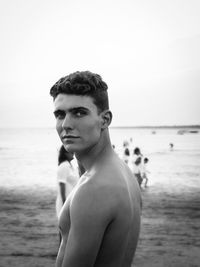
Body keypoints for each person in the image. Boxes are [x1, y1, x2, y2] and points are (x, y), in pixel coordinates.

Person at [50, 70, 141, 267]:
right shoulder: (123, 172)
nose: (66, 124)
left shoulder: (94, 188)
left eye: (79, 113)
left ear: (105, 119)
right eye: (59, 114)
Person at [56, 145, 79, 219]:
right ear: (65, 153)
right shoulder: (64, 166)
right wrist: (64, 203)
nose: (73, 153)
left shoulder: (70, 166)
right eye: (71, 152)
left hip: (72, 201)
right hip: (65, 201)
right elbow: (61, 185)